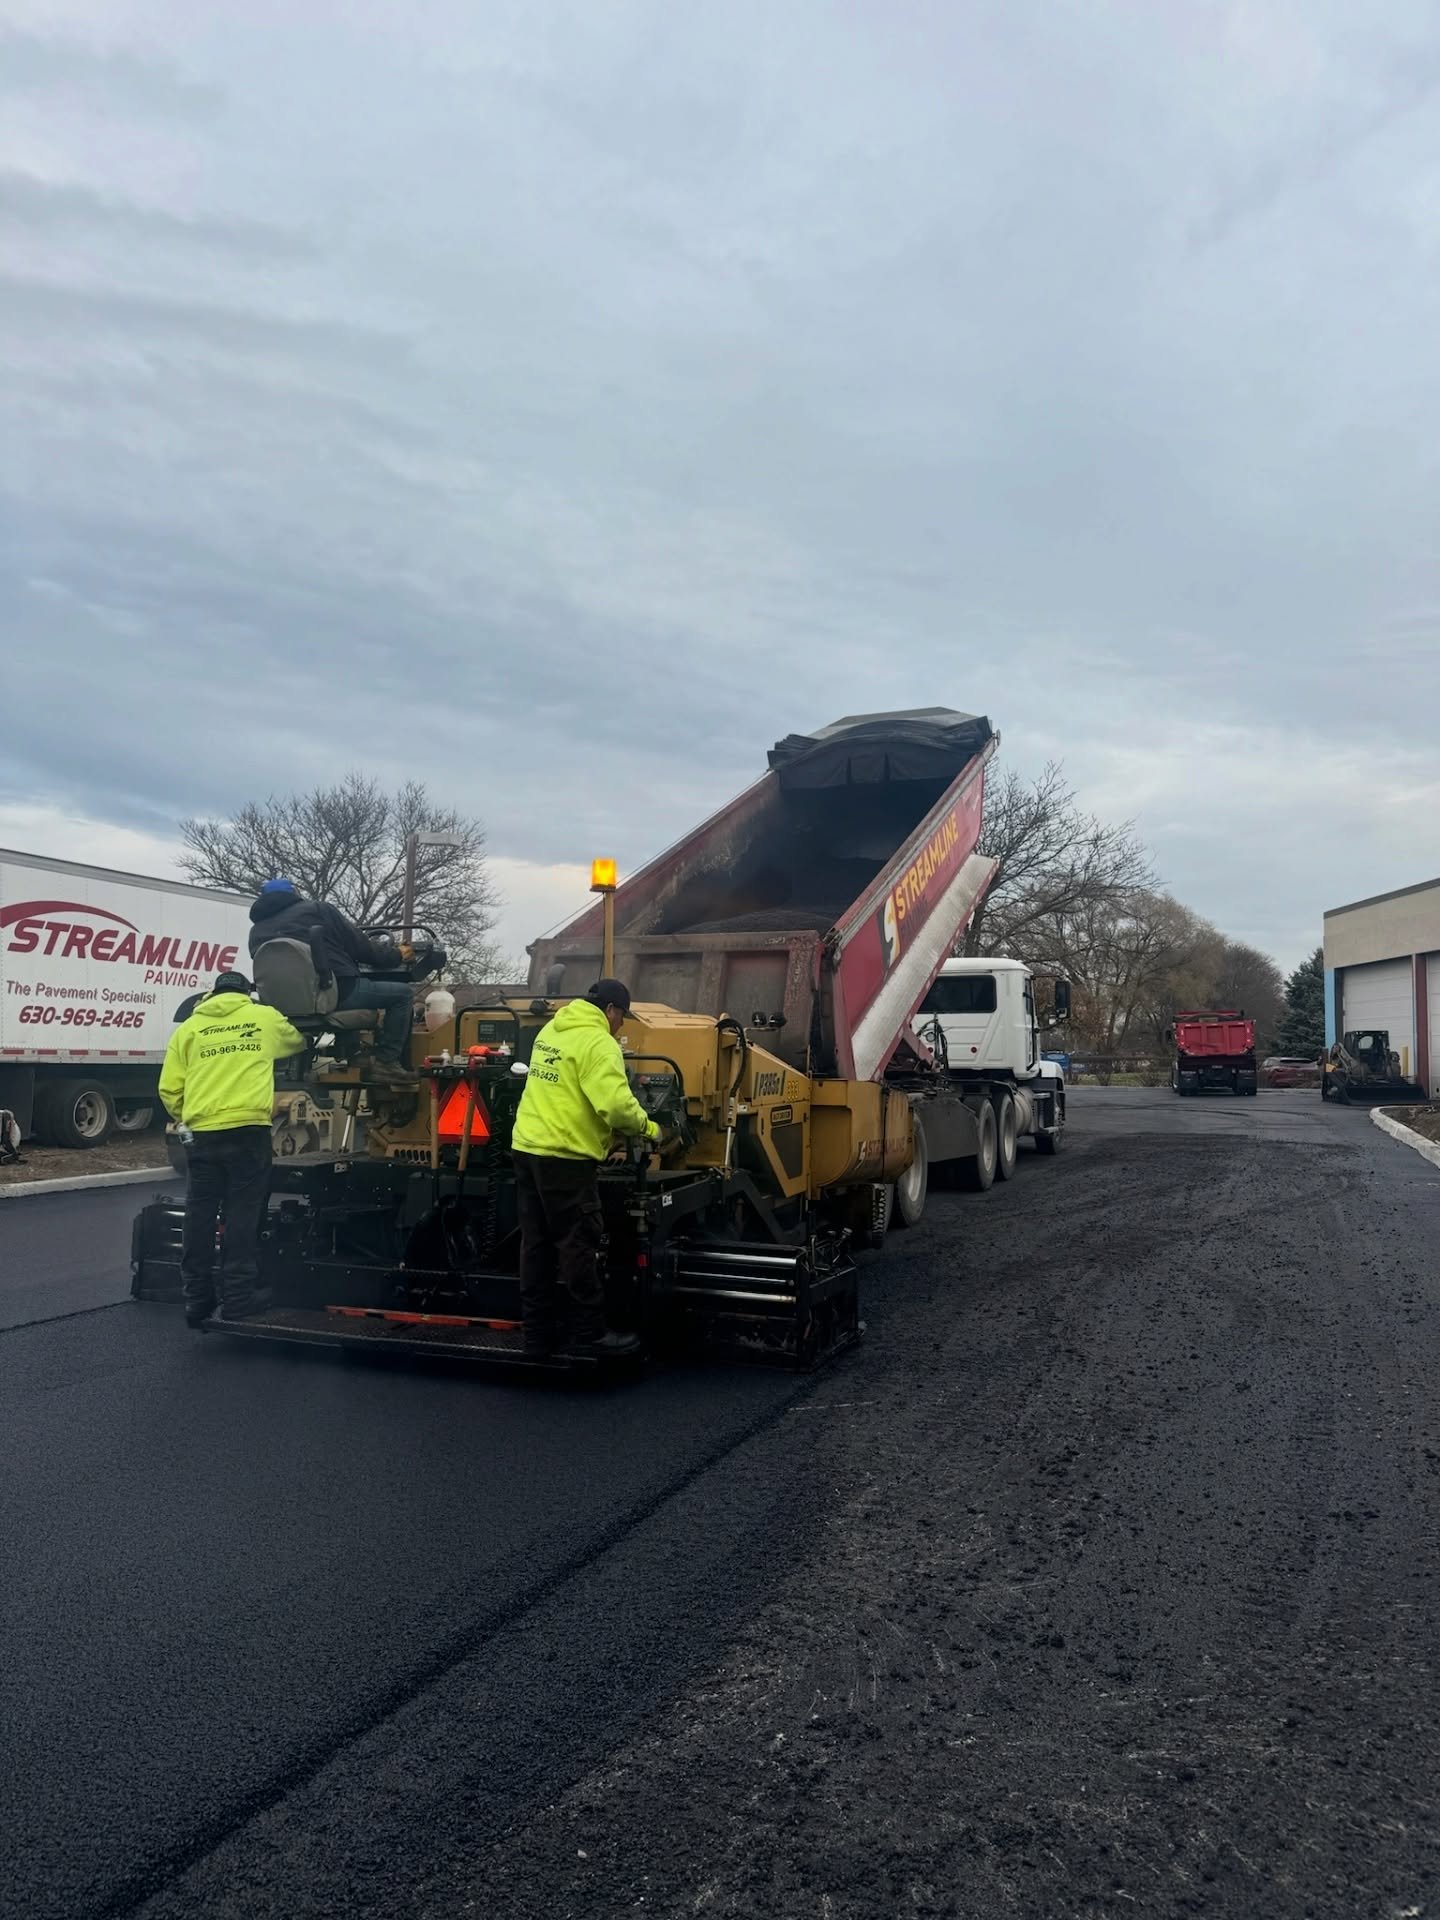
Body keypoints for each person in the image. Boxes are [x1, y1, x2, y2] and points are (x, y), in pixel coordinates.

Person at [510, 978, 660, 1358]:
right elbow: (616, 1107)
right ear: (610, 1010)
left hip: (526, 1149)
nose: (621, 1025)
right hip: (565, 1157)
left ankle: (537, 1336)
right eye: (622, 1016)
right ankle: (589, 1334)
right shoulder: (599, 1042)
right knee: (576, 1243)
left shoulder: (552, 1029)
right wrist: (649, 1128)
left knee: (535, 1244)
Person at [159, 971, 306, 1328]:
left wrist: (187, 1116)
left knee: (199, 1213)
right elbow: (297, 1041)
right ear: (246, 993)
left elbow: (169, 1089)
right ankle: (239, 1297)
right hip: (248, 1131)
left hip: (203, 1133)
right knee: (242, 1212)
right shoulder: (263, 1017)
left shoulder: (189, 1029)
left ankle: (197, 1298)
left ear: (212, 994)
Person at [247, 878, 417, 1080]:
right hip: (335, 994)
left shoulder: (256, 931)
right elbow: (362, 947)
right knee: (402, 995)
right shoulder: (318, 910)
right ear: (294, 893)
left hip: (282, 1006)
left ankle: (354, 1053)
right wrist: (396, 955)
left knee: (352, 985)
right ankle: (386, 1062)